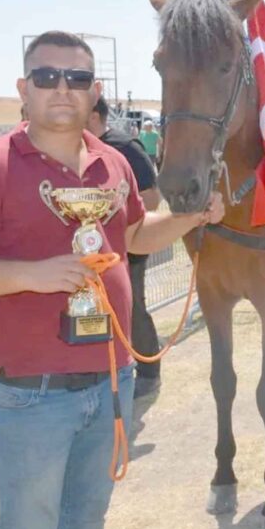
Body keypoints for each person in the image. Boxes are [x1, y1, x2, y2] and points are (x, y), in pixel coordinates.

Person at [0, 31, 225, 529]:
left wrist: (191, 218)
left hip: (112, 377)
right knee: (29, 526)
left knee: (86, 521)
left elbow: (132, 234)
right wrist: (31, 275)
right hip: (31, 391)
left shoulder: (112, 163)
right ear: (24, 88)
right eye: (47, 77)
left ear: (96, 89)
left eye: (77, 78)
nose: (62, 88)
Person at [86, 95, 164, 398]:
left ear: (94, 117)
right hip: (94, 254)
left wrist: (115, 219)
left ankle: (148, 372)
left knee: (133, 309)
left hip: (129, 249)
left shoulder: (124, 148)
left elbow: (153, 197)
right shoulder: (80, 152)